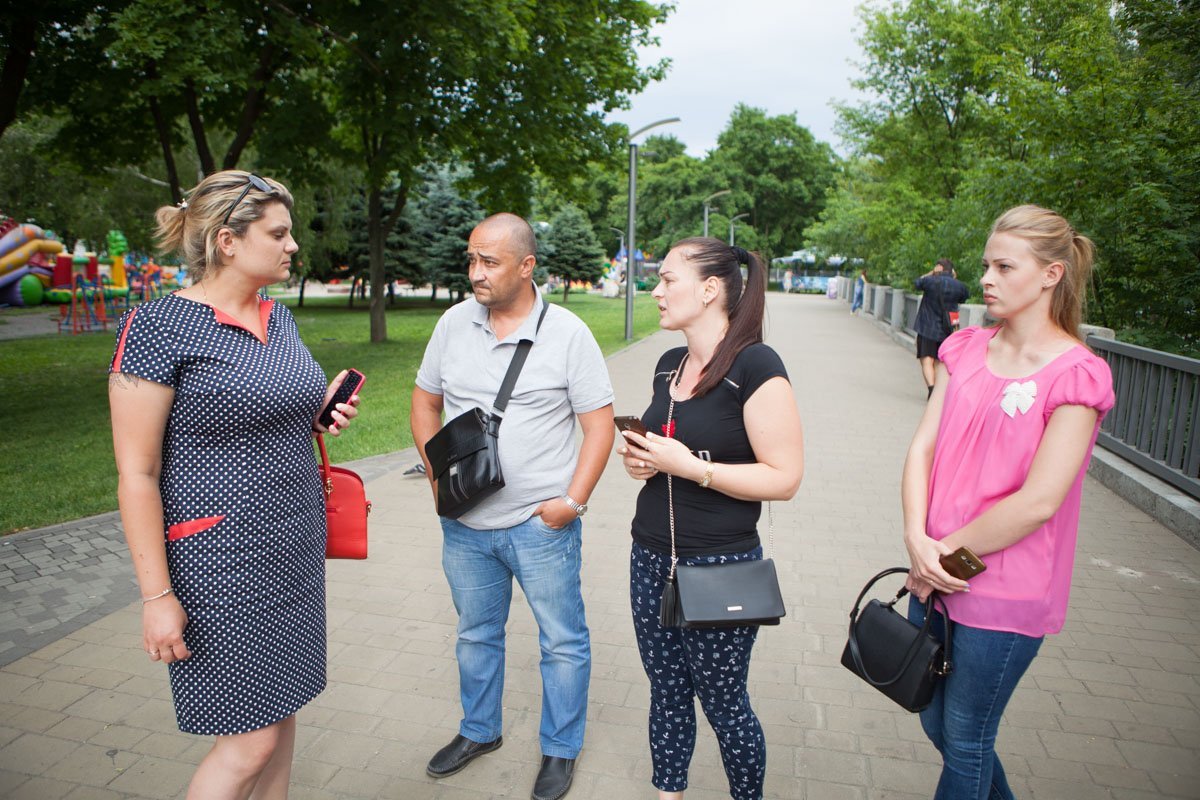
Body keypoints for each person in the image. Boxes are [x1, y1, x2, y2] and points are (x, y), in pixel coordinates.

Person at [108, 170, 361, 799]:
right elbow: (136, 475)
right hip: (218, 564)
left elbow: (264, 408)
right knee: (248, 743)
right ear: (228, 241)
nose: (292, 246)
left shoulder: (279, 319)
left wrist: (317, 407)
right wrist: (156, 597)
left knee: (282, 715)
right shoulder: (159, 327)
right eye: (277, 234)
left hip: (293, 554)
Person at [900, 205, 1114, 800]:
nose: (986, 279)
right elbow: (922, 448)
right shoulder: (963, 348)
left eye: (1003, 266)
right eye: (986, 264)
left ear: (1050, 275)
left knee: (966, 736)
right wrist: (918, 540)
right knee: (934, 719)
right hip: (933, 568)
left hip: (1004, 585)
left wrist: (937, 554)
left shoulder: (1079, 375)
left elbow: (1040, 501)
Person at [411, 213, 615, 800]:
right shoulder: (453, 323)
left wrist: (571, 503)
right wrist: (435, 479)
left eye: (489, 262)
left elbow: (598, 429)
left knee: (562, 641)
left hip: (539, 527)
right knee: (476, 634)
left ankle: (560, 749)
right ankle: (479, 732)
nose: (475, 272)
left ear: (527, 266)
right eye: (471, 260)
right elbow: (424, 402)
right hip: (465, 527)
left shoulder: (569, 334)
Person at [616, 238, 804, 800]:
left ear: (709, 289)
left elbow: (785, 478)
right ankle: (667, 792)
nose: (656, 290)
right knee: (666, 691)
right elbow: (665, 448)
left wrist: (693, 468)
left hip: (719, 567)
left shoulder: (756, 365)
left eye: (668, 279)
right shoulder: (668, 363)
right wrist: (643, 462)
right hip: (649, 556)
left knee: (724, 703)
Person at [914, 259, 970, 398]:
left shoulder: (930, 281)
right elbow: (964, 298)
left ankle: (932, 389)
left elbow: (917, 283)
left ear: (939, 267)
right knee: (940, 362)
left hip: (927, 327)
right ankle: (938, 391)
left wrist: (931, 273)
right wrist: (953, 278)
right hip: (948, 330)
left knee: (927, 360)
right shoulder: (959, 286)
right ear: (952, 270)